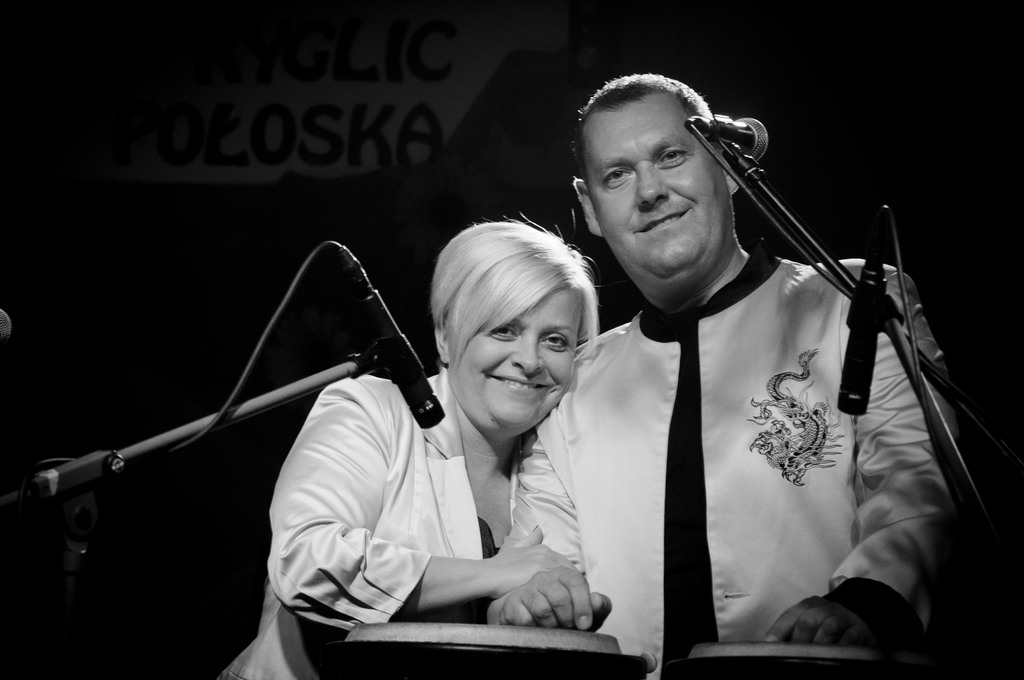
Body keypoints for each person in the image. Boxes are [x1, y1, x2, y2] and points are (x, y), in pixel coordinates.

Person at [488, 74, 958, 677]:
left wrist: (866, 604)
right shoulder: (574, 381)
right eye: (618, 174)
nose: (650, 191)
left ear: (730, 166)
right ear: (590, 208)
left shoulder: (855, 304)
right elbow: (542, 554)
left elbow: (918, 484)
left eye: (671, 156)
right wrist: (533, 596)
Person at [218, 219, 602, 680]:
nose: (530, 360)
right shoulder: (368, 409)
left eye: (555, 340)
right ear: (445, 336)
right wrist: (495, 573)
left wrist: (530, 610)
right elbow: (304, 562)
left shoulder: (559, 459)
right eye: (504, 330)